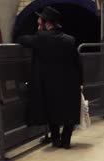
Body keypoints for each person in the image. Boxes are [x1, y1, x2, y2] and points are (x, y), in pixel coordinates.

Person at [16, 6, 82, 149]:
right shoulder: (70, 40)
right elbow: (77, 64)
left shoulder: (41, 38)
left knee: (52, 110)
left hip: (49, 85)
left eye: (40, 24)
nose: (38, 27)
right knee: (69, 112)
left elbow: (22, 39)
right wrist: (80, 82)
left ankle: (56, 140)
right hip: (69, 85)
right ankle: (66, 141)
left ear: (48, 24)